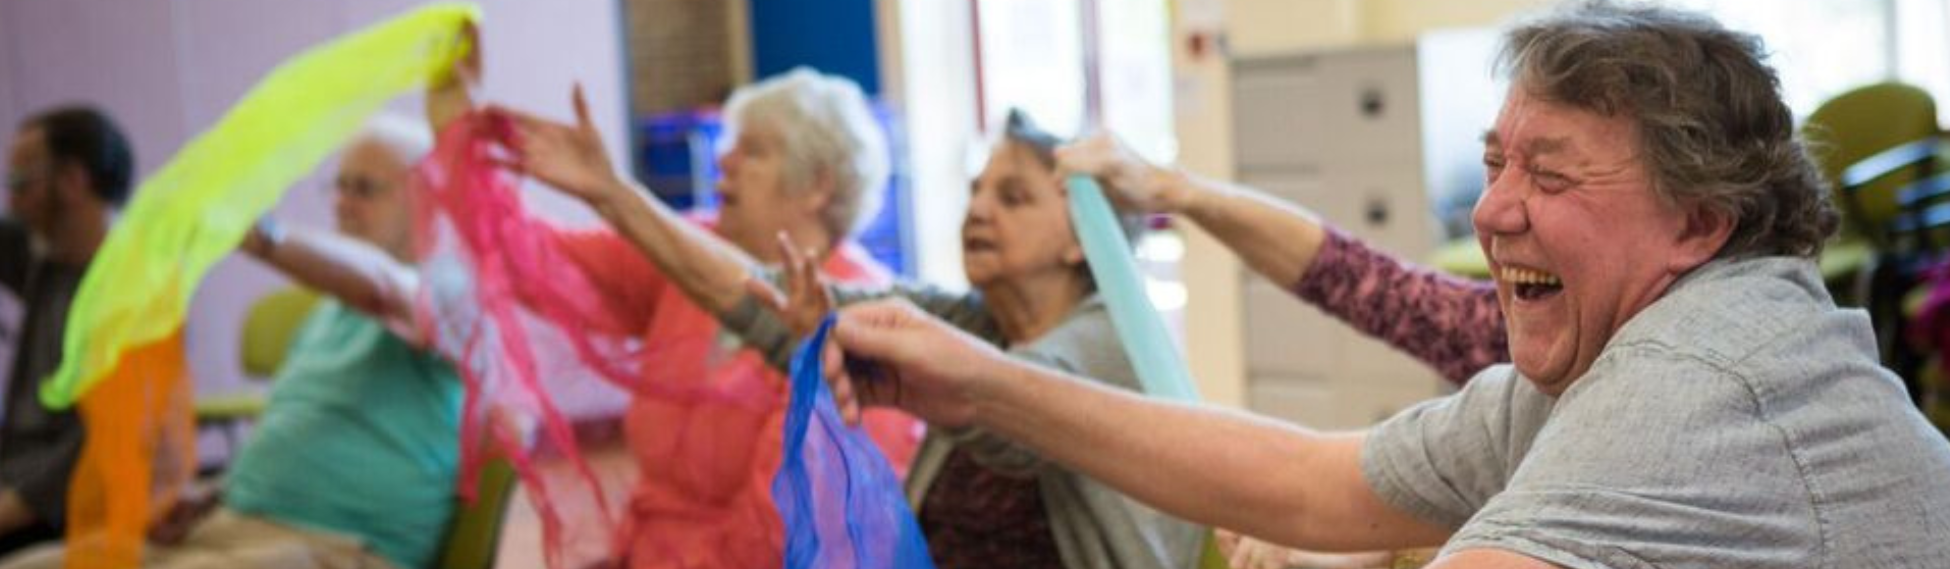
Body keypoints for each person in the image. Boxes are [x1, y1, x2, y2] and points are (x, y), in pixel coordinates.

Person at [816, 2, 1950, 568]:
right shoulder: (1594, 366)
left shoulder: (1693, 382)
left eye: (1548, 173)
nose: (1493, 208)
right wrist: (979, 381)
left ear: (1699, 223)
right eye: (1496, 161)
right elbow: (1310, 479)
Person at [0, 30, 482, 568]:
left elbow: (387, 289)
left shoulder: (455, 287)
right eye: (338, 186)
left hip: (337, 548)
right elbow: (298, 427)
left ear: (427, 199)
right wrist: (212, 494)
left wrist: (247, 228)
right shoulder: (324, 315)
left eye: (363, 189)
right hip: (227, 527)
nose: (342, 204)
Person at [483, 67, 917, 568]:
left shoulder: (858, 320)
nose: (723, 158)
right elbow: (545, 265)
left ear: (817, 185)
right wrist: (463, 140)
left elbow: (780, 537)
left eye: (753, 150)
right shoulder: (695, 252)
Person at [0, 107, 134, 557]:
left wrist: (12, 506)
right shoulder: (46, 255)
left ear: (73, 181)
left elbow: (103, 444)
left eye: (21, 184)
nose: (12, 203)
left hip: (63, 509)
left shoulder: (133, 292)